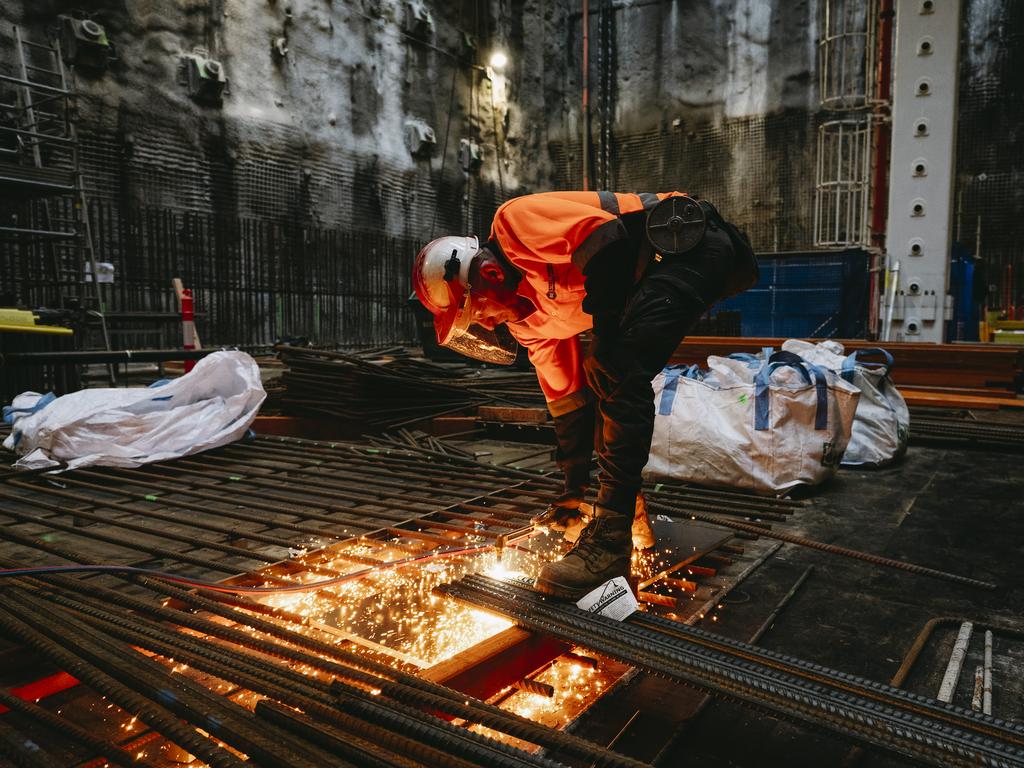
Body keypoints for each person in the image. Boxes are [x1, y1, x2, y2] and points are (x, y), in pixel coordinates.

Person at [413, 191, 758, 598]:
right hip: (651, 273)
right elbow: (569, 404)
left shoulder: (516, 224)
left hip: (687, 243)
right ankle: (624, 513)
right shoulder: (530, 325)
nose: (486, 324)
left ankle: (610, 543)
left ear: (489, 275)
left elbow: (606, 240)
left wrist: (606, 337)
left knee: (614, 367)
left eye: (479, 312)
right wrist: (572, 493)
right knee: (604, 377)